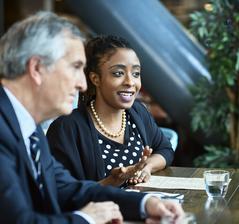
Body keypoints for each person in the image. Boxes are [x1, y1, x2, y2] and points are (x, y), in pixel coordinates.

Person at [0, 11, 184, 224]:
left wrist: (145, 204)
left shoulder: (25, 128)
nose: (83, 84)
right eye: (76, 67)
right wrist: (86, 219)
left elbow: (67, 189)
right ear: (37, 68)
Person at [46, 35, 174, 187]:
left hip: (142, 206)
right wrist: (112, 181)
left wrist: (147, 167)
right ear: (95, 79)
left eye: (136, 73)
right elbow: (62, 194)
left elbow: (165, 149)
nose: (130, 82)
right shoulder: (66, 129)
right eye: (118, 73)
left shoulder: (138, 112)